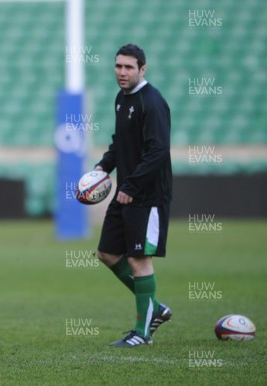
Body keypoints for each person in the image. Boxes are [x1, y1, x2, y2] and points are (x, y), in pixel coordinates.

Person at [95, 44, 172, 347]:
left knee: (139, 260)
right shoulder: (121, 99)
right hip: (125, 192)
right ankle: (155, 307)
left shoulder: (152, 102)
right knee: (108, 253)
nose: (122, 72)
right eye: (118, 66)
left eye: (128, 67)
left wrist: (131, 187)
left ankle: (143, 332)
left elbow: (157, 151)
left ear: (143, 69)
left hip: (146, 195)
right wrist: (104, 165)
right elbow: (120, 143)